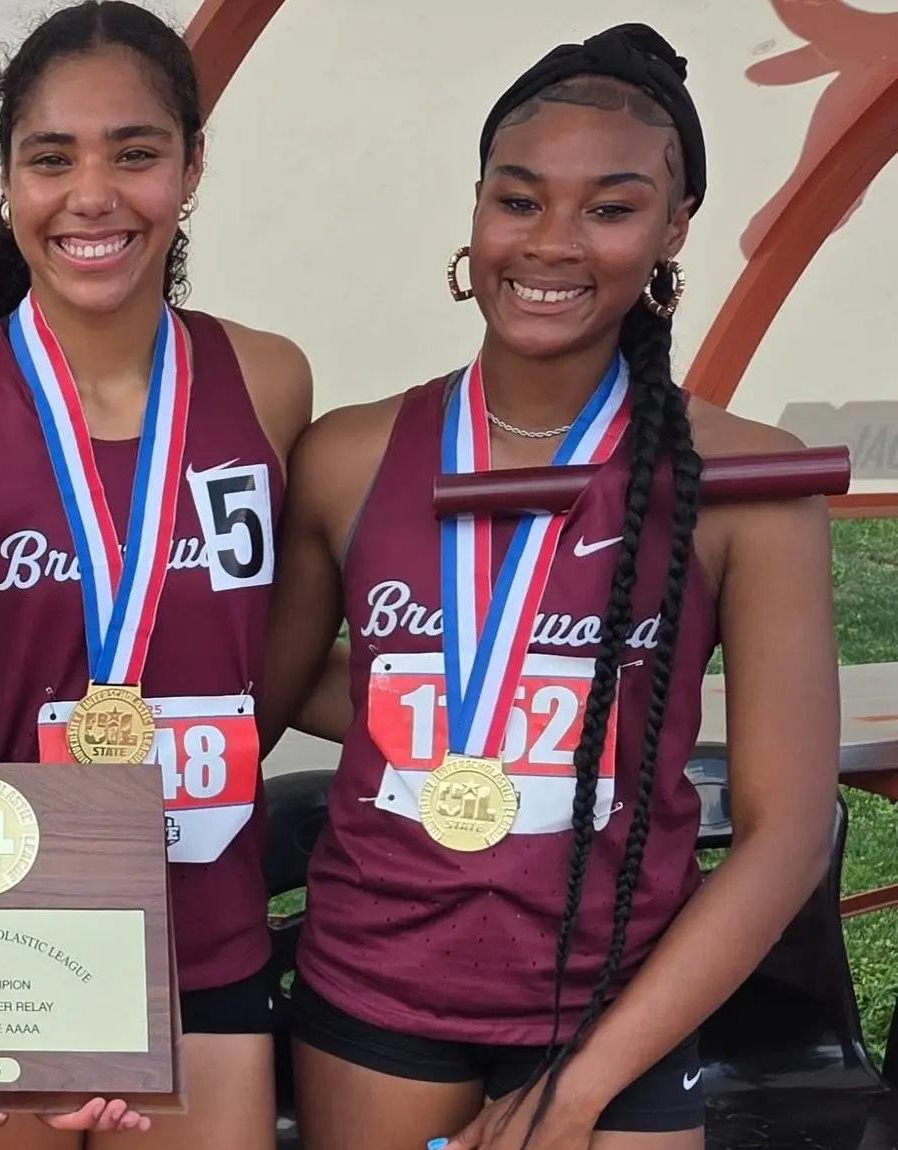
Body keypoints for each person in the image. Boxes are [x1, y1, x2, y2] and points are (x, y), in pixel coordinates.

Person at [253, 25, 841, 1150]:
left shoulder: (745, 481)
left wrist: (573, 1094)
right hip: (375, 996)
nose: (552, 243)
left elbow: (786, 828)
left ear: (672, 229)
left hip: (616, 1001)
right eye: (517, 202)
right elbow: (263, 692)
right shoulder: (347, 455)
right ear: (473, 211)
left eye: (609, 208)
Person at [0, 3, 318, 1147]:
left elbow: (266, 658)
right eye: (50, 158)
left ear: (191, 166)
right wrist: (2, 970)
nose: (90, 195)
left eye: (134, 152)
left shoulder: (269, 382)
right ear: (6, 180)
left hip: (203, 939)